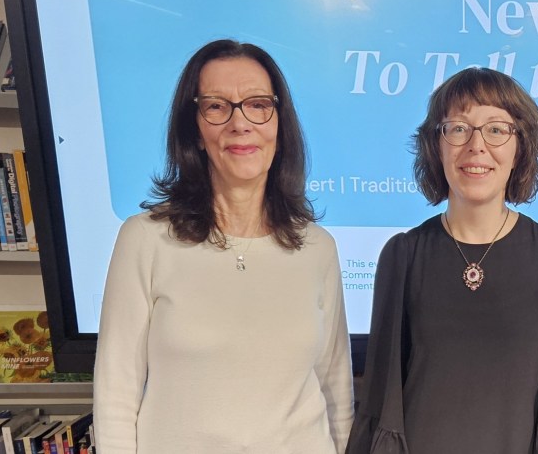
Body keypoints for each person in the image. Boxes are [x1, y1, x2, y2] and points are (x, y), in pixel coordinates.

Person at [94, 40, 353, 453]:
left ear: (279, 125)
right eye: (216, 106)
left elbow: (336, 390)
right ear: (195, 131)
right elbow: (116, 395)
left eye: (257, 105)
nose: (240, 123)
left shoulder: (317, 247)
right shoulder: (145, 239)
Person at [348, 68, 538, 453]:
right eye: (458, 128)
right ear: (436, 145)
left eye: (496, 129)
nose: (476, 146)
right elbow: (382, 403)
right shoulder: (403, 256)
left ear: (520, 147)